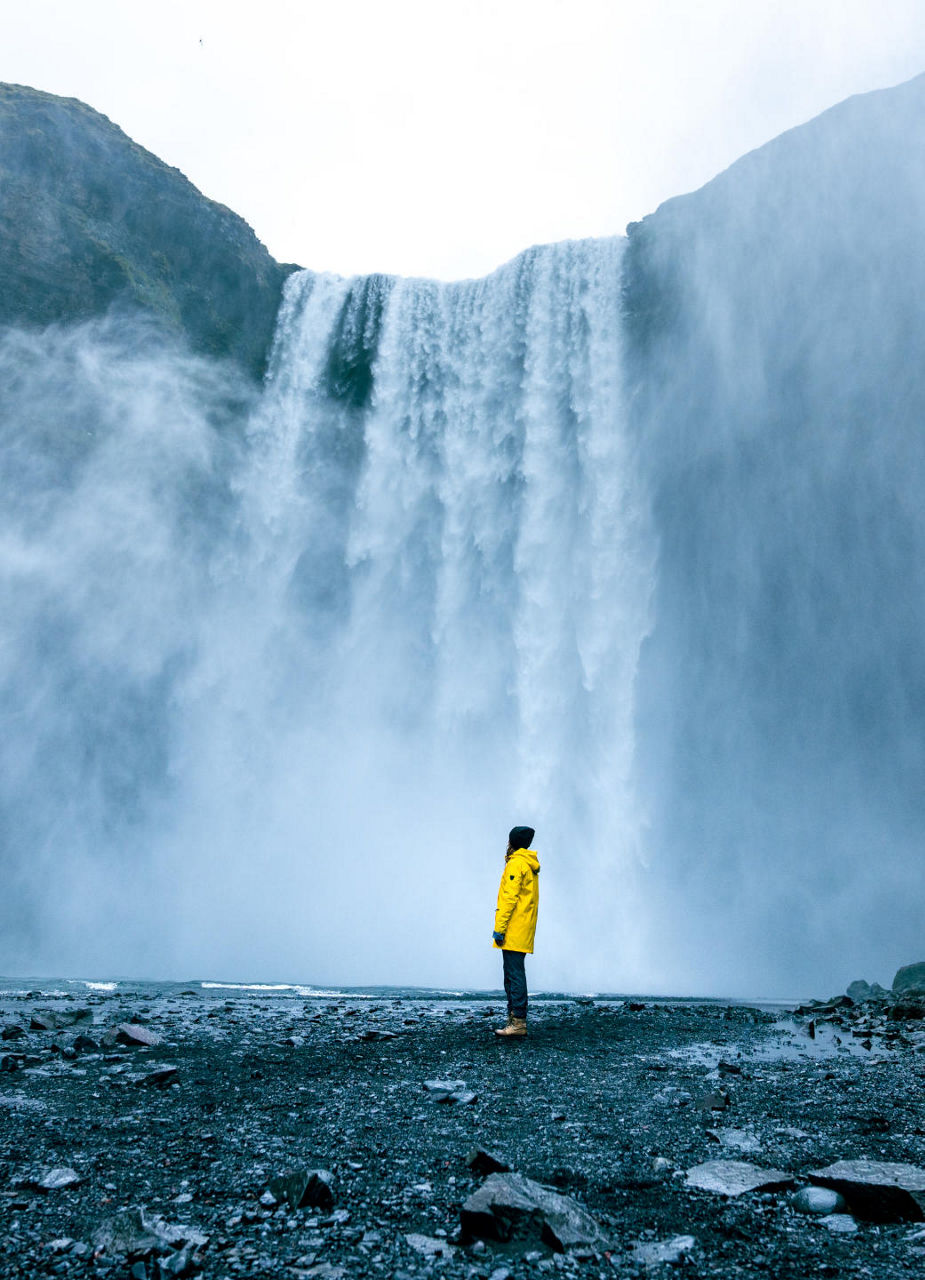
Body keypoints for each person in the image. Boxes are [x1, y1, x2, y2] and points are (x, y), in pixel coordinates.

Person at [492, 825, 540, 1038]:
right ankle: (515, 1018)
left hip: (514, 929)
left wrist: (499, 929)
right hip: (523, 927)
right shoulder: (528, 864)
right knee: (513, 974)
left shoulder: (516, 864)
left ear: (512, 842)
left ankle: (517, 1022)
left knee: (513, 976)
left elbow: (509, 899)